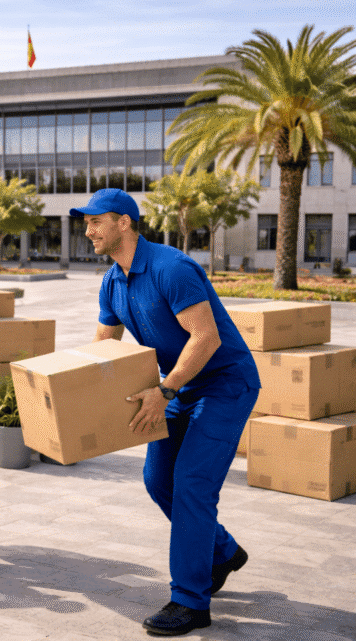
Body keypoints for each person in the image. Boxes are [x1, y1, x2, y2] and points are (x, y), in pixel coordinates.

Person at [70, 188, 260, 636]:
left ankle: (190, 602)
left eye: (96, 221)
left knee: (192, 484)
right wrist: (71, 395)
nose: (88, 230)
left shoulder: (171, 268)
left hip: (223, 384)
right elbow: (104, 348)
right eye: (86, 223)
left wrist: (165, 388)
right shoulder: (113, 280)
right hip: (177, 386)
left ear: (124, 222)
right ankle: (224, 551)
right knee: (158, 480)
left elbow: (206, 338)